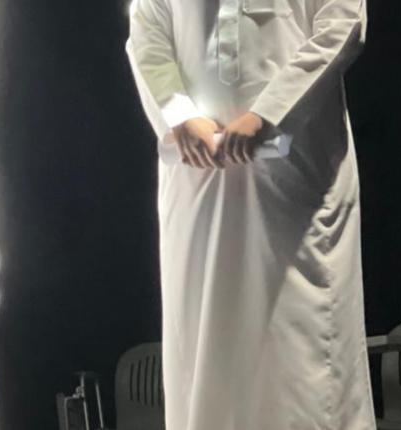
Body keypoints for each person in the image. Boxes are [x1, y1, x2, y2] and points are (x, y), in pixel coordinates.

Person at [127, 0, 375, 428]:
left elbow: (344, 22)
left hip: (296, 174)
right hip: (197, 176)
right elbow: (147, 27)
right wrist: (179, 115)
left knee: (300, 350)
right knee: (204, 342)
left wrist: (269, 113)